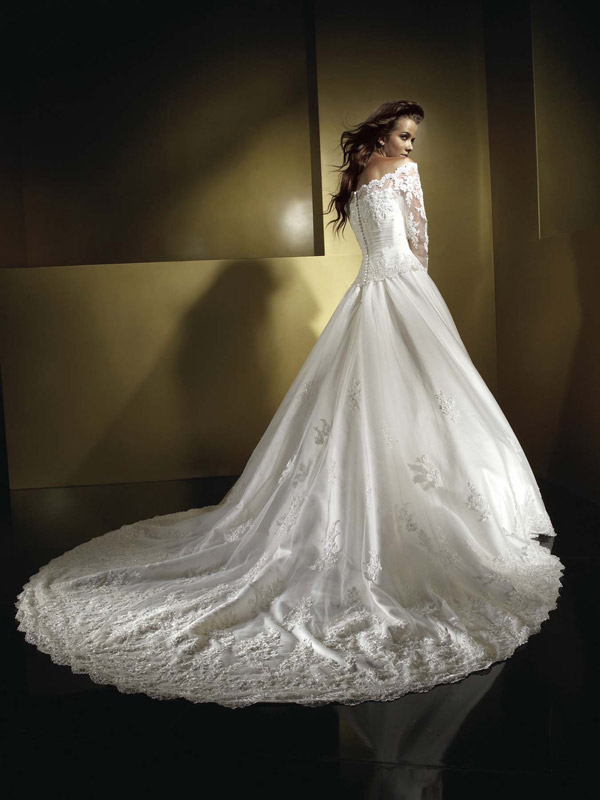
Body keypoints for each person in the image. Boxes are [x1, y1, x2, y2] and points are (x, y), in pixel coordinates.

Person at [15, 100, 564, 708]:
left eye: (413, 138)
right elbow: (419, 243)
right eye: (405, 135)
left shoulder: (355, 178)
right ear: (384, 133)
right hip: (404, 288)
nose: (411, 146)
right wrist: (424, 297)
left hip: (368, 293)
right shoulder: (404, 175)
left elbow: (376, 243)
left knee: (373, 402)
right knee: (428, 396)